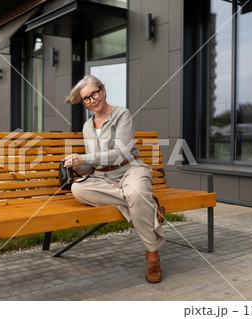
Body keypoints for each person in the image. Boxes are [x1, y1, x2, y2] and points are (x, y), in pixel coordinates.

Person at [63, 75, 166, 283]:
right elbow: (92, 165)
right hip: (104, 178)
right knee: (78, 190)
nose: (92, 100)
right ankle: (150, 207)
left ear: (103, 90)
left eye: (95, 93)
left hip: (130, 169)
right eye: (86, 98)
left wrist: (83, 157)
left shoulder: (122, 114)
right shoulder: (87, 127)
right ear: (83, 102)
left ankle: (152, 254)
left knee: (136, 191)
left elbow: (120, 153)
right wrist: (76, 164)